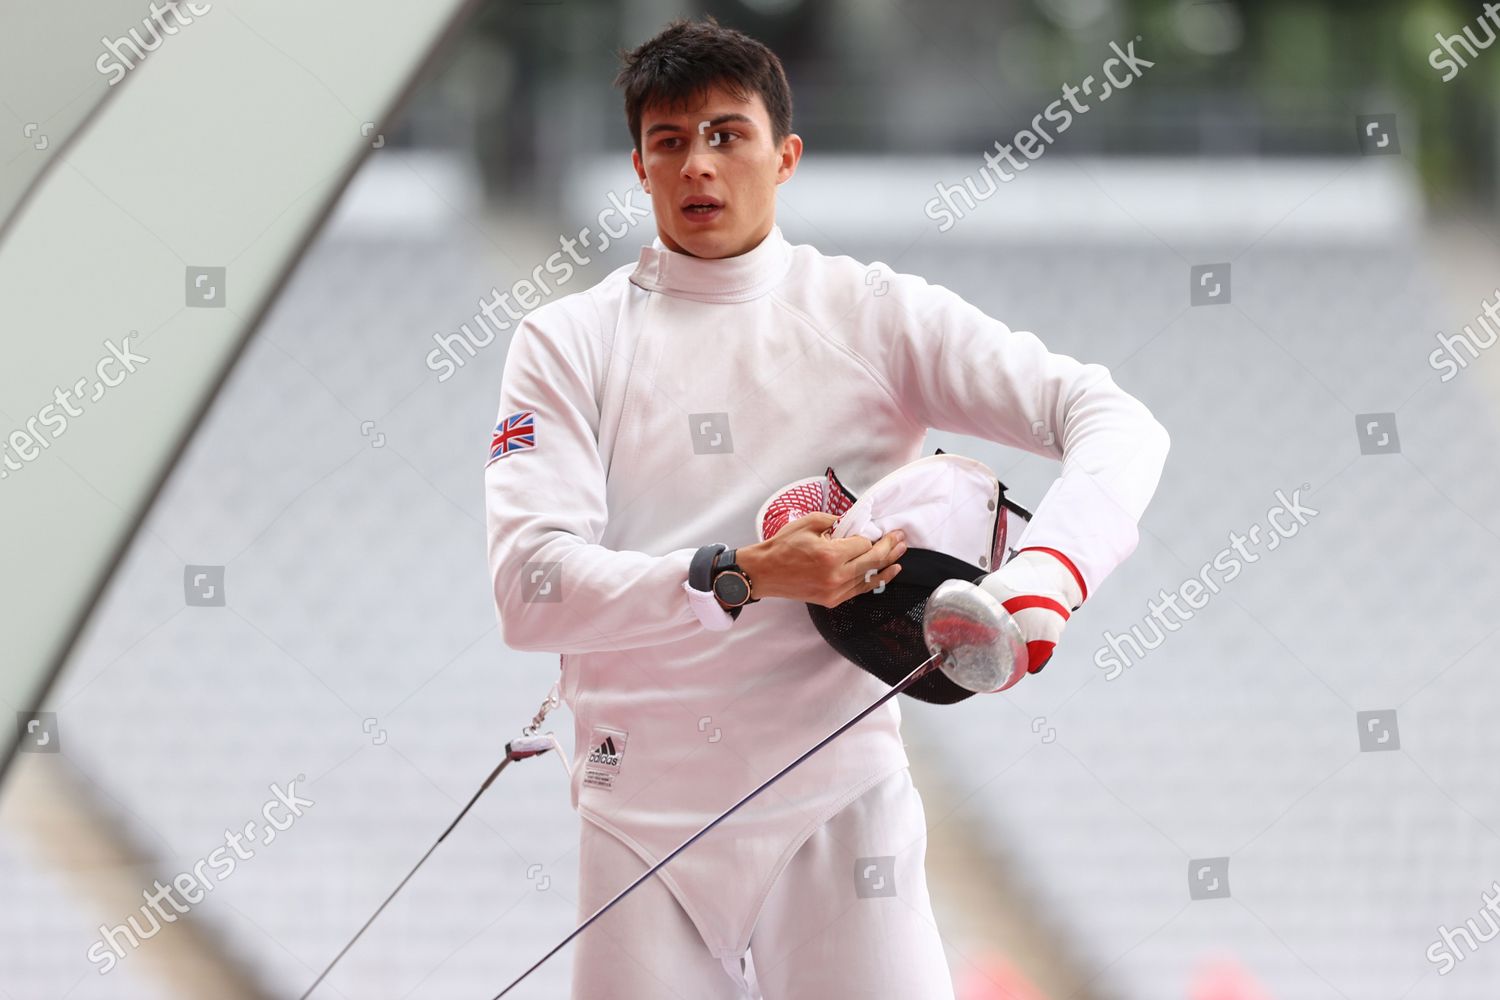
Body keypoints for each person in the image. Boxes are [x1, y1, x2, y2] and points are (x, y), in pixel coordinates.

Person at [484, 15, 1170, 999]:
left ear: (786, 155)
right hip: (636, 822)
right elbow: (527, 588)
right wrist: (742, 574)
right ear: (638, 167)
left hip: (837, 810)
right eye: (670, 143)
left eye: (727, 135)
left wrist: (1044, 580)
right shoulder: (565, 342)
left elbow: (1116, 420)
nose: (698, 167)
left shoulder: (875, 316)